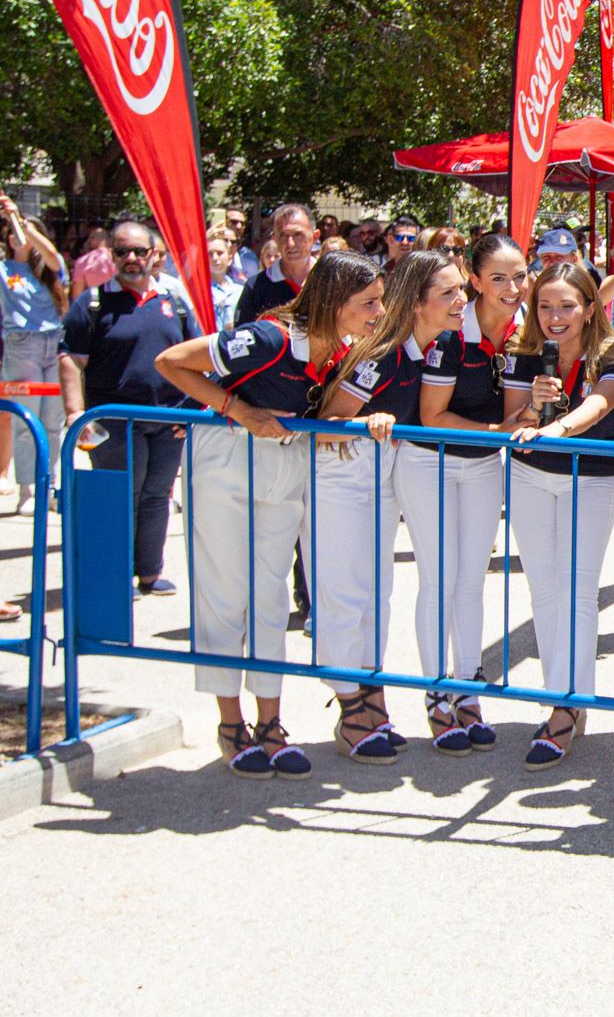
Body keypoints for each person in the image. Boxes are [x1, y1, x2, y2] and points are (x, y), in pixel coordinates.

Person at [152, 249, 387, 780]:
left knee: (270, 596)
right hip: (227, 457)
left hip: (285, 465)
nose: (378, 311)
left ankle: (271, 724)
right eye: (368, 302)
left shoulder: (345, 348)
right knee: (224, 594)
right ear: (333, 301)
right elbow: (171, 362)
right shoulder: (267, 337)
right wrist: (238, 410)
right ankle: (230, 724)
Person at [311, 250, 467, 761]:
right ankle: (350, 705)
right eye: (448, 293)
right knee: (344, 592)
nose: (460, 300)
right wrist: (363, 422)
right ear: (417, 303)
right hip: (343, 477)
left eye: (461, 289)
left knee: (376, 593)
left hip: (381, 475)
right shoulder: (383, 353)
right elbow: (330, 421)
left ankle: (370, 700)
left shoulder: (433, 350)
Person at [499, 262, 614, 769]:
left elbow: (603, 403)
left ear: (589, 307)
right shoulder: (524, 352)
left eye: (567, 306)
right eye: (545, 306)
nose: (555, 316)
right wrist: (533, 411)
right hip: (531, 476)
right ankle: (564, 698)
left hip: (591, 477)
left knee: (578, 591)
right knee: (543, 589)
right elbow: (513, 420)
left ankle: (565, 706)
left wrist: (559, 427)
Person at [403, 232, 530, 751]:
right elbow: (433, 417)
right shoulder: (452, 331)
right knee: (439, 578)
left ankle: (469, 691)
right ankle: (437, 695)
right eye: (497, 278)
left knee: (472, 580)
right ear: (475, 281)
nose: (512, 287)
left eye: (519, 275)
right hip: (427, 462)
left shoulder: (526, 333)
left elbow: (515, 413)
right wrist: (500, 433)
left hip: (480, 466)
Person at [58, 220, 200, 596]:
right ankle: (116, 576)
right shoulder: (91, 304)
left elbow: (200, 357)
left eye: (140, 251)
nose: (131, 259)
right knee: (123, 496)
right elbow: (71, 359)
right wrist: (75, 413)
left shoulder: (176, 304)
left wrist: (196, 411)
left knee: (157, 495)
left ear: (155, 255)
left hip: (170, 420)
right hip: (115, 421)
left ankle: (149, 574)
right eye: (122, 251)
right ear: (111, 255)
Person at [0, 200, 69, 509]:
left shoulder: (49, 271)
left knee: (52, 419)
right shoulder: (4, 270)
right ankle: (28, 489)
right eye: (12, 232)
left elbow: (54, 257)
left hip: (53, 344)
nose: (18, 236)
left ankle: (50, 486)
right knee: (27, 419)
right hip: (22, 345)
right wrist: (9, 216)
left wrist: (23, 222)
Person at [233, 203, 317, 327]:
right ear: (274, 239)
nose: (290, 244)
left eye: (298, 235)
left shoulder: (332, 282)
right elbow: (242, 336)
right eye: (283, 235)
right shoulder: (257, 287)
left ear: (315, 237)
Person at [205, 232, 245, 330]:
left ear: (230, 258)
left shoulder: (240, 291)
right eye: (210, 254)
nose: (215, 258)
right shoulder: (200, 291)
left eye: (219, 253)